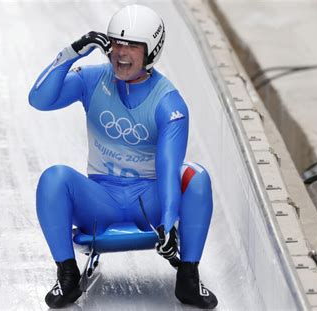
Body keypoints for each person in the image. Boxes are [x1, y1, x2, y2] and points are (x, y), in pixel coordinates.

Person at [28, 4, 218, 309]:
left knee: (196, 176)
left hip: (150, 204)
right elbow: (38, 99)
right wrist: (73, 52)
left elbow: (168, 168)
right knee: (54, 178)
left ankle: (188, 276)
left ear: (151, 50)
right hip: (100, 200)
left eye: (132, 45)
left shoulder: (169, 103)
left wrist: (169, 223)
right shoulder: (92, 80)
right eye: (116, 42)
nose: (121, 53)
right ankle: (67, 274)